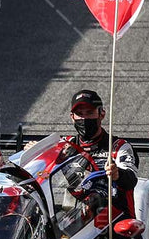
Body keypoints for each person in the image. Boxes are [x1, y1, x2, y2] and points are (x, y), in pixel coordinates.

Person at [25, 89, 138, 220]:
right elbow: (38, 174)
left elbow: (131, 179)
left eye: (89, 113)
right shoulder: (63, 145)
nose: (84, 119)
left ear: (101, 114)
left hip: (114, 221)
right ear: (72, 117)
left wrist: (118, 174)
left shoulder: (119, 147)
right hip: (72, 223)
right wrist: (34, 152)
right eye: (79, 114)